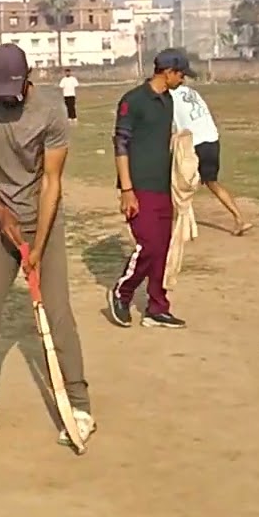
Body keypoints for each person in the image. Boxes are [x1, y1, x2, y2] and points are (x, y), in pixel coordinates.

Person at [0, 42, 95, 447]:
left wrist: (37, 244)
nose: (9, 100)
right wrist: (2, 216)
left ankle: (80, 408)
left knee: (58, 313)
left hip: (43, 220)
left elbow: (52, 183)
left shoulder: (51, 112)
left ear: (28, 78)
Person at [106, 48, 196, 330]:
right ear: (167, 72)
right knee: (149, 245)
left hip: (162, 186)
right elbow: (120, 145)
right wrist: (127, 189)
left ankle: (157, 307)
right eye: (181, 74)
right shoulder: (133, 101)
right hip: (139, 186)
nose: (183, 80)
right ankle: (122, 292)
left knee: (163, 249)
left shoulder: (168, 101)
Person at [170, 80, 251, 236]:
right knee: (211, 182)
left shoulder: (169, 96)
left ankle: (182, 223)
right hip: (212, 138)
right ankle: (238, 218)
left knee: (180, 180)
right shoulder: (191, 92)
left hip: (196, 141)